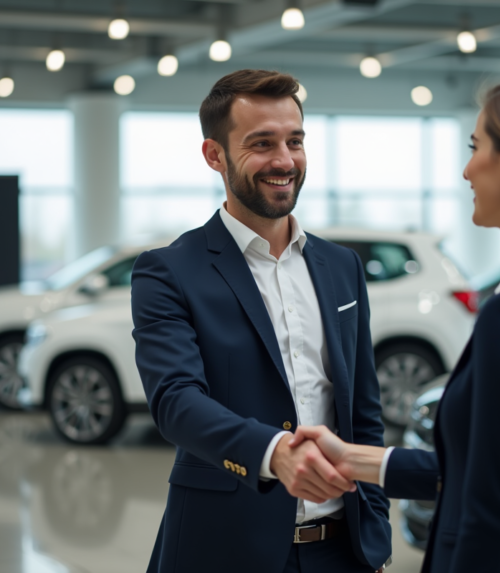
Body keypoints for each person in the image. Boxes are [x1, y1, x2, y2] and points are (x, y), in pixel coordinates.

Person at [290, 74, 500, 573]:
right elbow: (490, 472)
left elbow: (489, 514)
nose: (466, 169)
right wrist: (353, 459)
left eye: (476, 147)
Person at [131, 69, 392, 573]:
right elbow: (176, 402)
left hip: (342, 551)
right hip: (223, 549)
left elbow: (363, 409)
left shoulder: (341, 267)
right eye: (262, 143)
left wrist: (373, 532)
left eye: (295, 141)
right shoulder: (168, 270)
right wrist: (274, 453)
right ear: (214, 155)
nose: (284, 160)